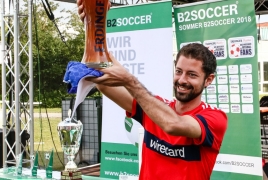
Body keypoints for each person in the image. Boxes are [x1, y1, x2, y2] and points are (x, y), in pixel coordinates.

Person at [77, 1, 228, 179]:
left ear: (208, 80)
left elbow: (173, 124)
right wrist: (95, 28)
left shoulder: (215, 118)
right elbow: (104, 83)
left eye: (192, 75)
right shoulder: (155, 107)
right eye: (179, 71)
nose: (182, 80)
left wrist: (130, 81)